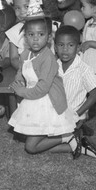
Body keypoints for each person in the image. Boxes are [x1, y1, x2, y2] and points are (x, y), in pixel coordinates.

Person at [8, 15, 84, 158]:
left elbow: (42, 89)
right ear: (25, 38)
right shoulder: (26, 54)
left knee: (30, 147)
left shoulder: (48, 58)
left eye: (41, 34)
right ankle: (71, 144)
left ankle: (68, 137)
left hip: (47, 103)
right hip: (32, 99)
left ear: (49, 38)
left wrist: (22, 91)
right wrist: (17, 82)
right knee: (28, 142)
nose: (36, 39)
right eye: (31, 35)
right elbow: (21, 71)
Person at [55, 25, 96, 160]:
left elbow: (94, 97)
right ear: (55, 47)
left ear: (78, 48)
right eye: (61, 45)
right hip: (58, 112)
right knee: (42, 135)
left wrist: (76, 114)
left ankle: (78, 132)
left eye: (70, 45)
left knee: (48, 139)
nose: (65, 49)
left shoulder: (84, 69)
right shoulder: (54, 66)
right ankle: (79, 136)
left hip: (75, 113)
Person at [6, 0, 40, 69]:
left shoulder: (49, 26)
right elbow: (14, 58)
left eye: (26, 6)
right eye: (17, 8)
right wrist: (26, 71)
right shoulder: (14, 32)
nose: (22, 11)